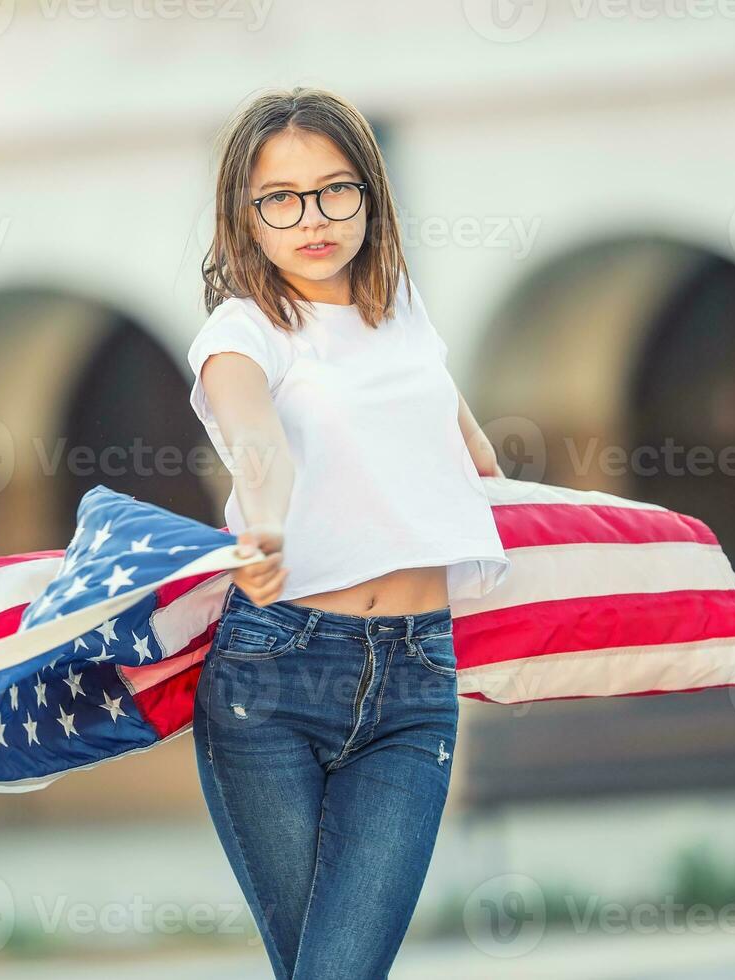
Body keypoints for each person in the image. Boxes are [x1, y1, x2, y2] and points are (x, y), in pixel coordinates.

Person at [186, 85, 510, 979]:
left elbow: (478, 462)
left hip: (416, 680)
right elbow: (256, 444)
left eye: (336, 190)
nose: (313, 219)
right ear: (244, 216)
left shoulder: (401, 311)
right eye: (281, 199)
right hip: (276, 676)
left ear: (371, 192)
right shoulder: (239, 335)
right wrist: (264, 524)